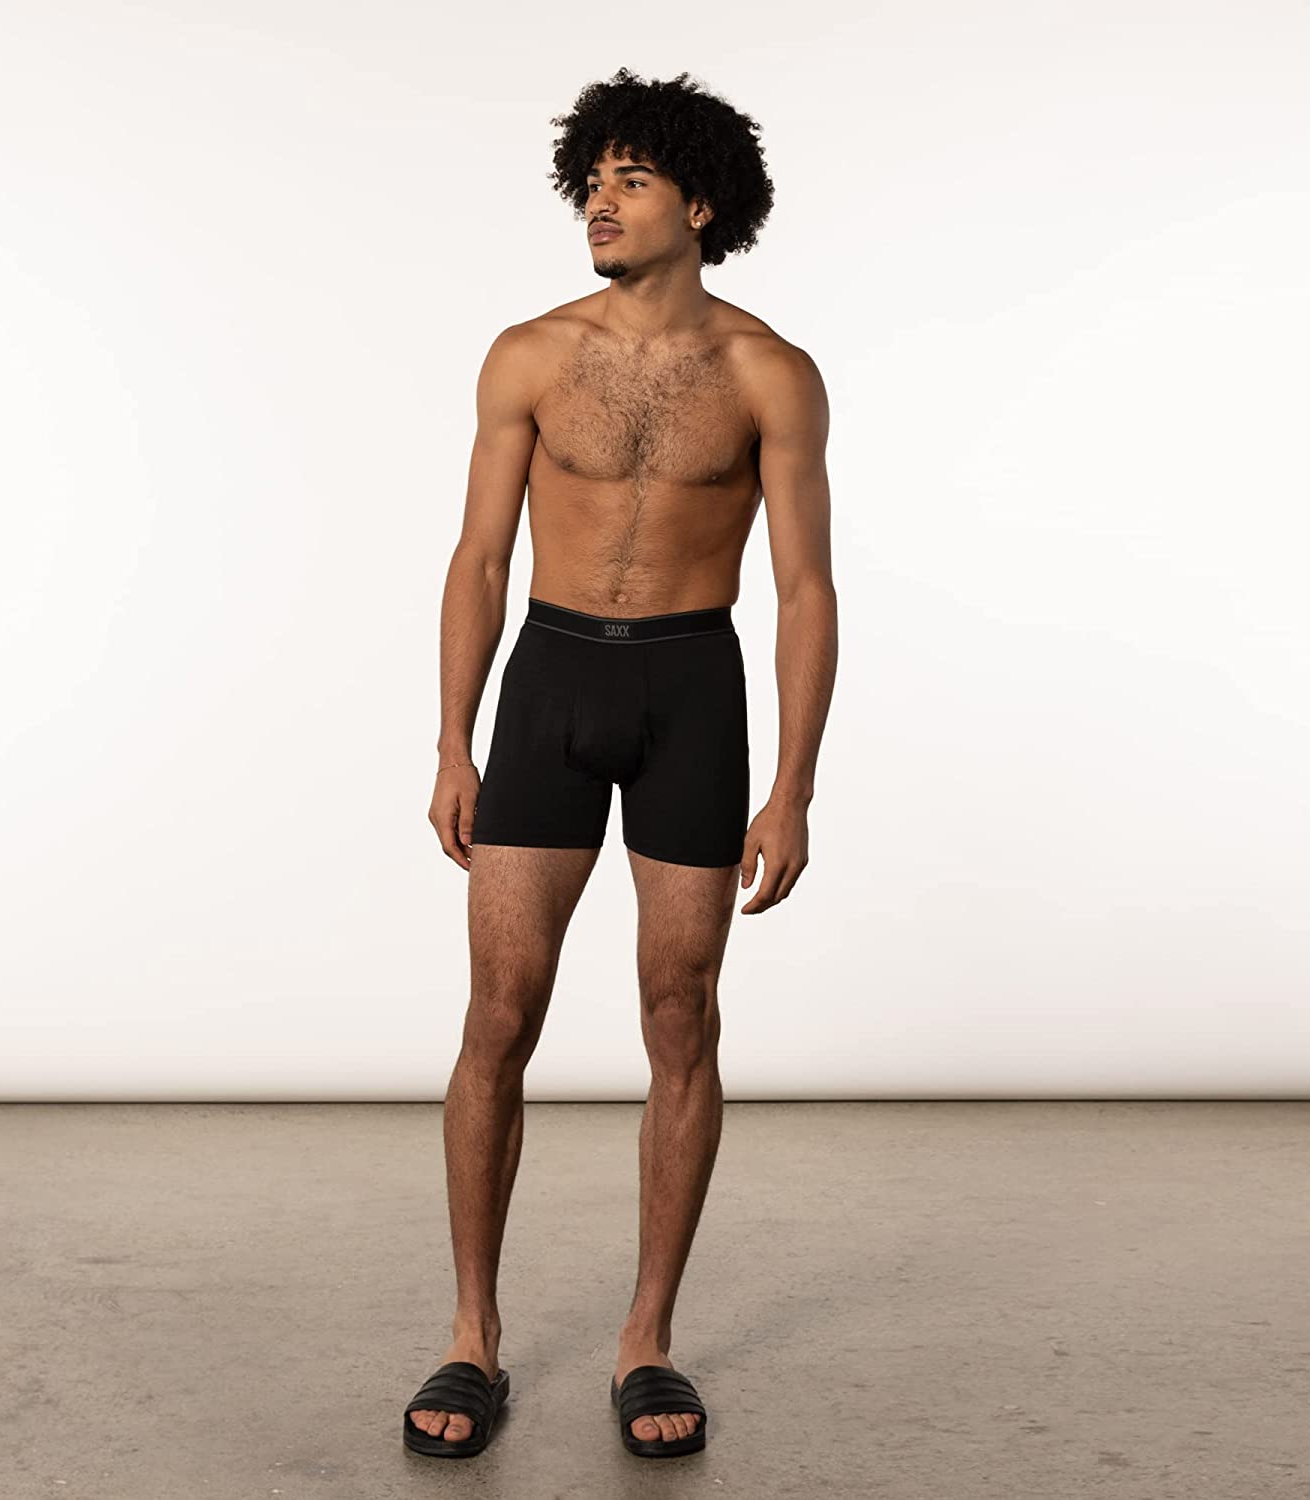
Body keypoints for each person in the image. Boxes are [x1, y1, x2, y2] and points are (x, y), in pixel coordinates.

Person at [403, 66, 837, 1461]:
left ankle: (646, 1341)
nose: (599, 203)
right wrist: (454, 738)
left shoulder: (770, 372)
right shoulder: (530, 354)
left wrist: (794, 784)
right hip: (551, 680)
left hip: (691, 690)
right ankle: (473, 1334)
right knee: (500, 1011)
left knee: (681, 1013)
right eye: (591, 181)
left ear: (699, 205)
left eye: (630, 181)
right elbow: (479, 555)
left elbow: (806, 588)